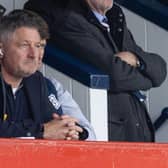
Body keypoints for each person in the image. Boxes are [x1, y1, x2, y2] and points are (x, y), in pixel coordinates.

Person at [24, 0, 167, 142]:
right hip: (113, 137)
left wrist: (136, 60)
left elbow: (160, 71)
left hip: (137, 133)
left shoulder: (114, 16)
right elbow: (115, 75)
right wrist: (145, 77)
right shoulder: (66, 17)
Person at [0, 9, 96, 140]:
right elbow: (44, 130)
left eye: (39, 46)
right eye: (24, 45)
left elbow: (86, 134)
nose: (33, 54)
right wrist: (41, 131)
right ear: (1, 49)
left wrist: (72, 132)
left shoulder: (40, 83)